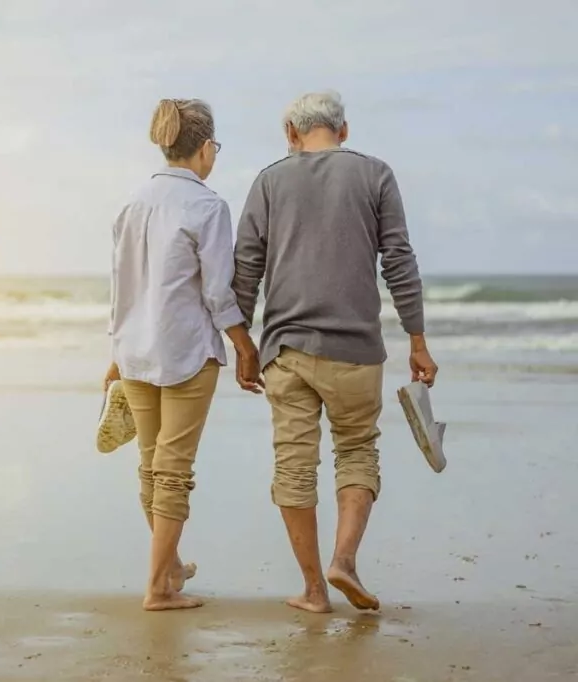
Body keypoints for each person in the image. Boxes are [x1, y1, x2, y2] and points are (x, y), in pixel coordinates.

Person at [233, 91, 438, 613]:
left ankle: (313, 590)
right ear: (343, 131)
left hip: (287, 350)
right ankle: (343, 560)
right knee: (357, 452)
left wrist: (242, 345)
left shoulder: (269, 180)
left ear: (291, 135)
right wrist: (417, 339)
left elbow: (246, 269)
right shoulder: (376, 174)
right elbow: (398, 261)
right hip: (356, 350)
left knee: (294, 466)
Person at [104, 98, 263, 611]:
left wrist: (114, 350)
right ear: (205, 147)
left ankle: (168, 568)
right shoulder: (207, 206)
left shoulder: (132, 202)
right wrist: (243, 344)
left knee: (151, 466)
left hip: (134, 351)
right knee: (173, 470)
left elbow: (119, 287)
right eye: (215, 146)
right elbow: (218, 292)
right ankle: (157, 589)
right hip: (187, 352)